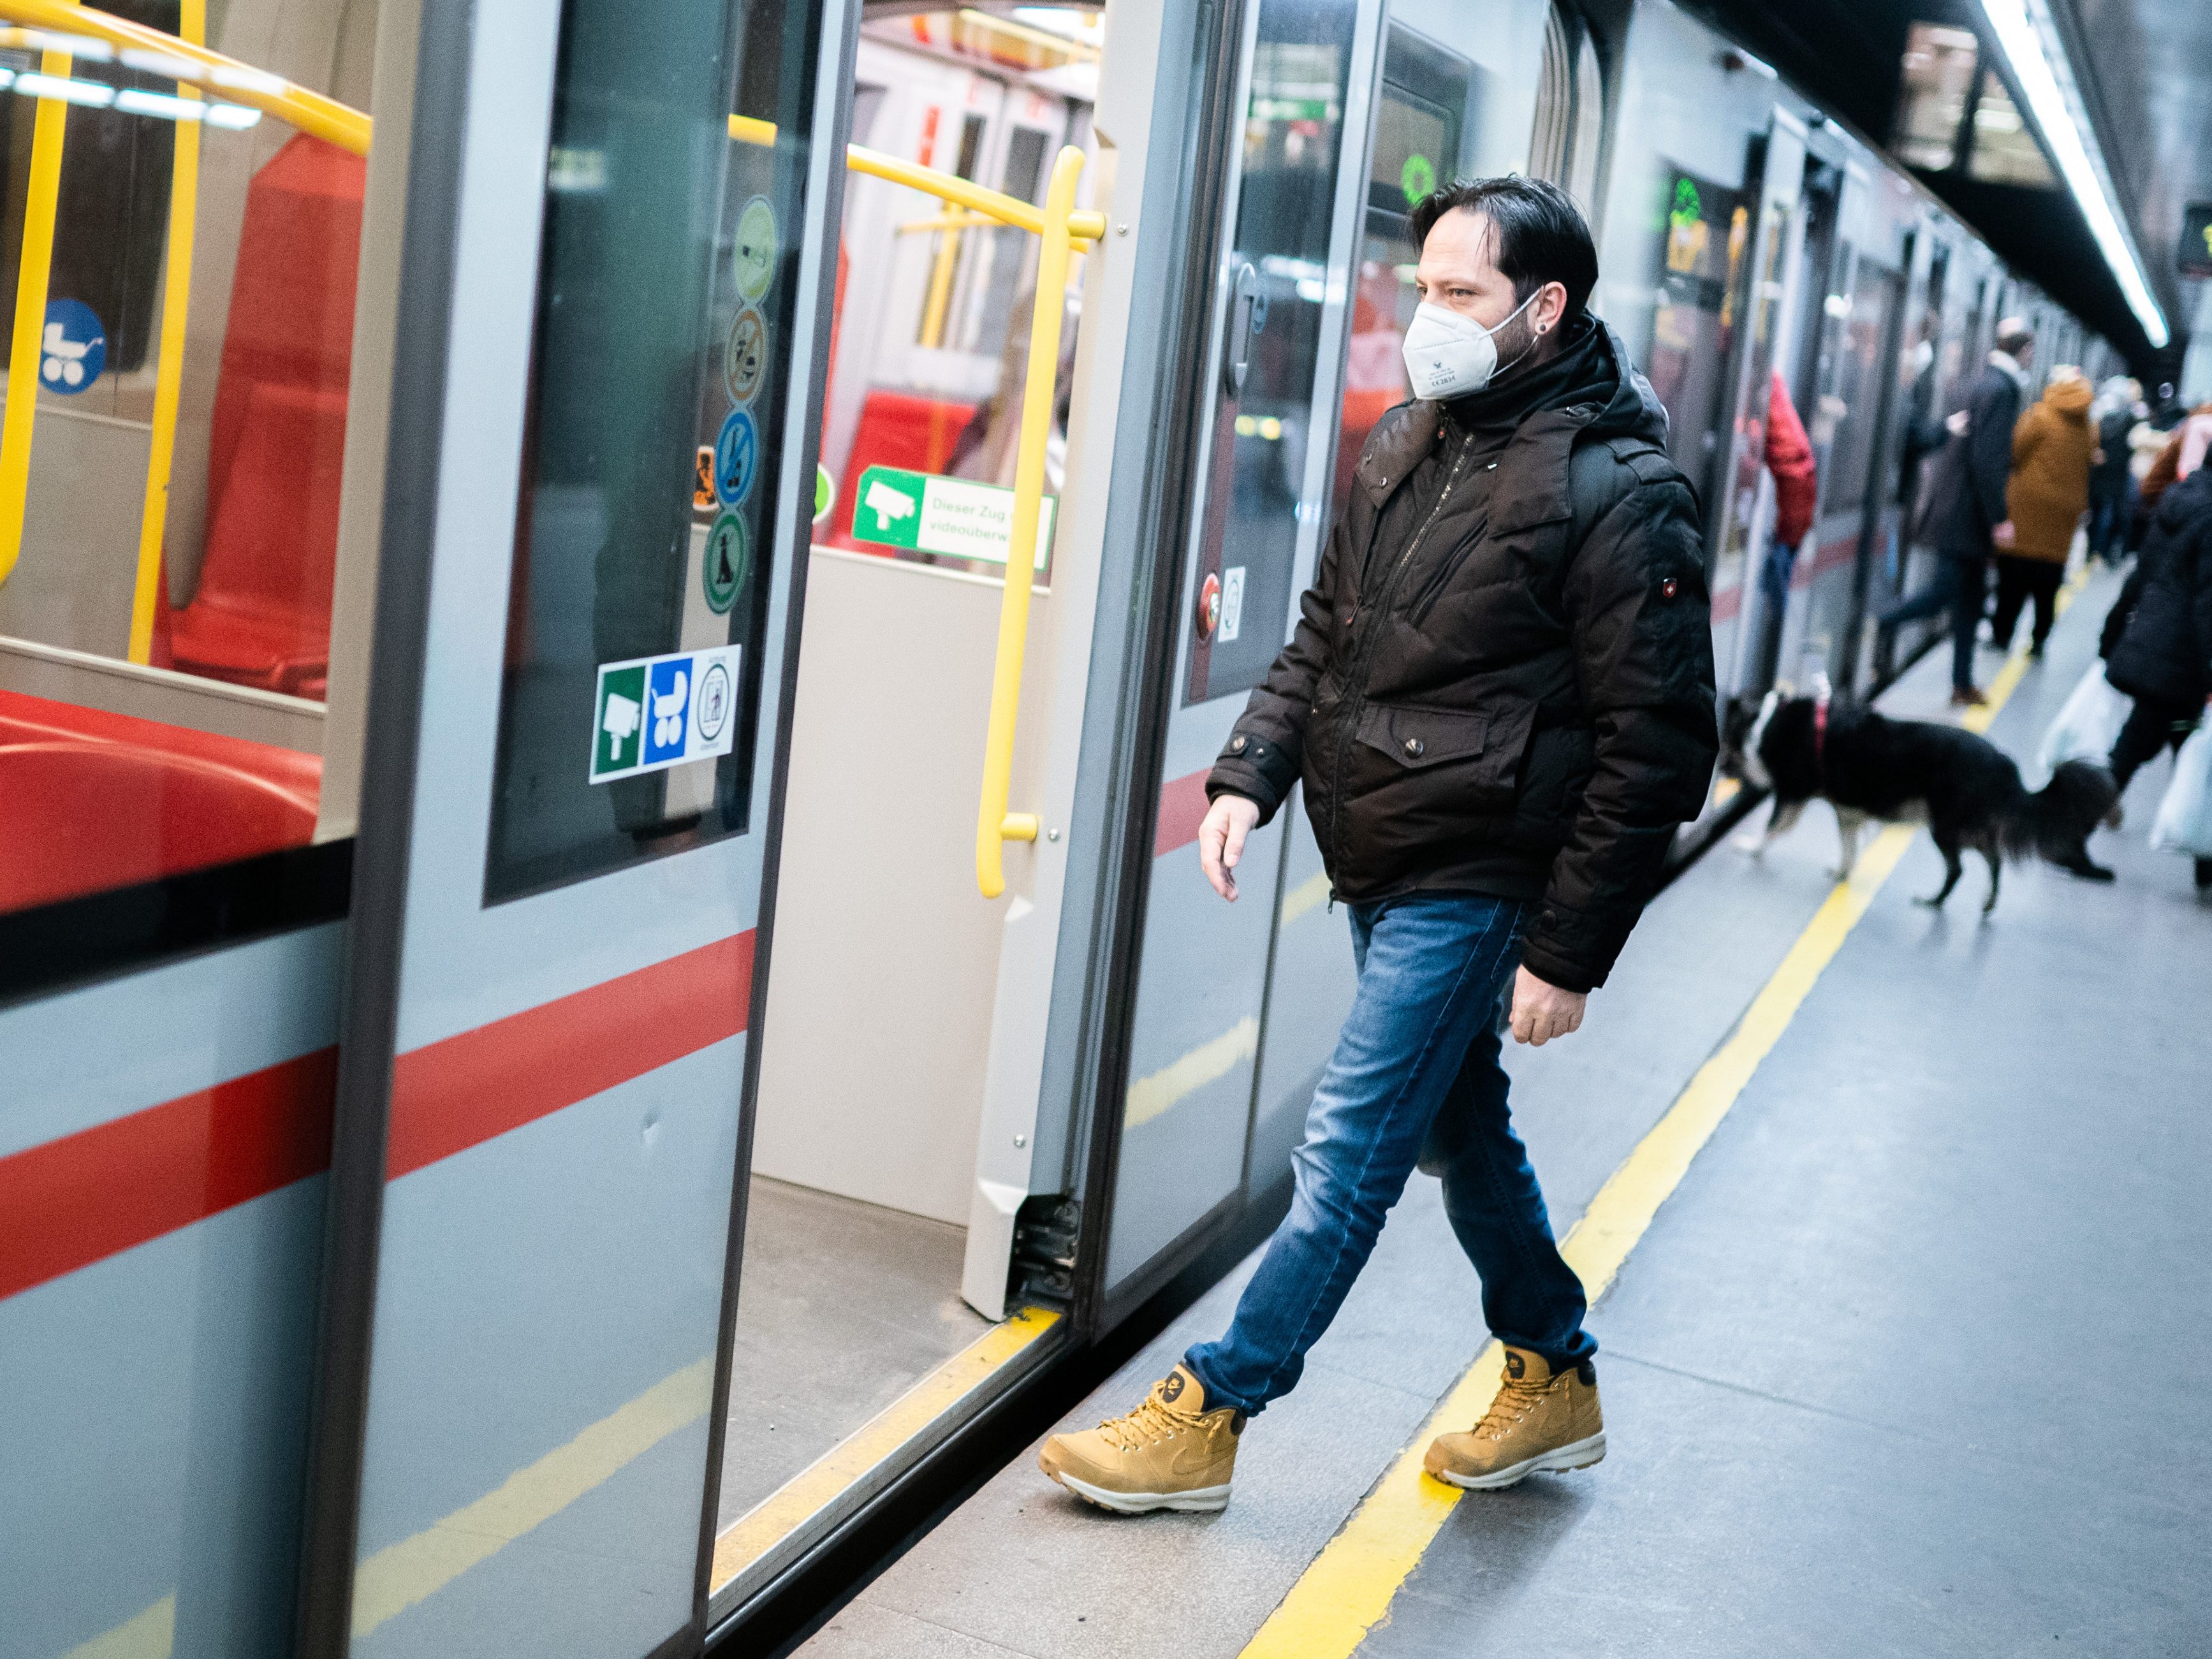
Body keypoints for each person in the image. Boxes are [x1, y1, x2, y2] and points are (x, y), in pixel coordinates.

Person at [1037, 177, 1718, 1514]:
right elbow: (1326, 634)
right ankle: (1556, 1371)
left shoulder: (1620, 489)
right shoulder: (1406, 438)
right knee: (1459, 1129)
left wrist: (1566, 948)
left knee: (1348, 1145)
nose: (1426, 316)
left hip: (1483, 872)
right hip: (1382, 850)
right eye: (1422, 287)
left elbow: (1658, 742)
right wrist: (1249, 772)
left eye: (1460, 294)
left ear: (1544, 305)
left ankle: (1212, 1411)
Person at [1880, 318, 2037, 706]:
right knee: (1944, 594)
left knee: (1969, 599)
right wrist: (2000, 518)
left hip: (1954, 508)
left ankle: (1961, 684)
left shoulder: (1972, 382)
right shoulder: (2003, 391)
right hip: (1968, 517)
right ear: (2025, 352)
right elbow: (1988, 460)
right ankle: (1883, 622)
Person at [2105, 410, 2212, 893]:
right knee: (2155, 745)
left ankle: (2206, 864)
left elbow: (2143, 570)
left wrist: (2112, 632)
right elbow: (2209, 601)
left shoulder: (2183, 498)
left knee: (2165, 744)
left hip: (2157, 646)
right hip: (2181, 659)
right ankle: (2067, 830)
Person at [1991, 369, 2093, 657]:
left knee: (2013, 579)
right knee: (2048, 584)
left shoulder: (2040, 415)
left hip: (2027, 507)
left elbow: (2016, 451)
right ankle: (2039, 641)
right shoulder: (2088, 426)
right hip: (2063, 516)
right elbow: (2090, 458)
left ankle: (2002, 635)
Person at [1754, 369, 1817, 689]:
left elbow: (1794, 462)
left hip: (1786, 528)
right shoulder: (1769, 381)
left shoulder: (1762, 381)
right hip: (1789, 527)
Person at [2087, 376, 2141, 565]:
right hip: (2117, 474)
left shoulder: (2098, 414)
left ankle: (2092, 552)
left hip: (2100, 472)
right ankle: (2105, 553)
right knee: (2111, 516)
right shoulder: (2131, 418)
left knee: (2097, 515)